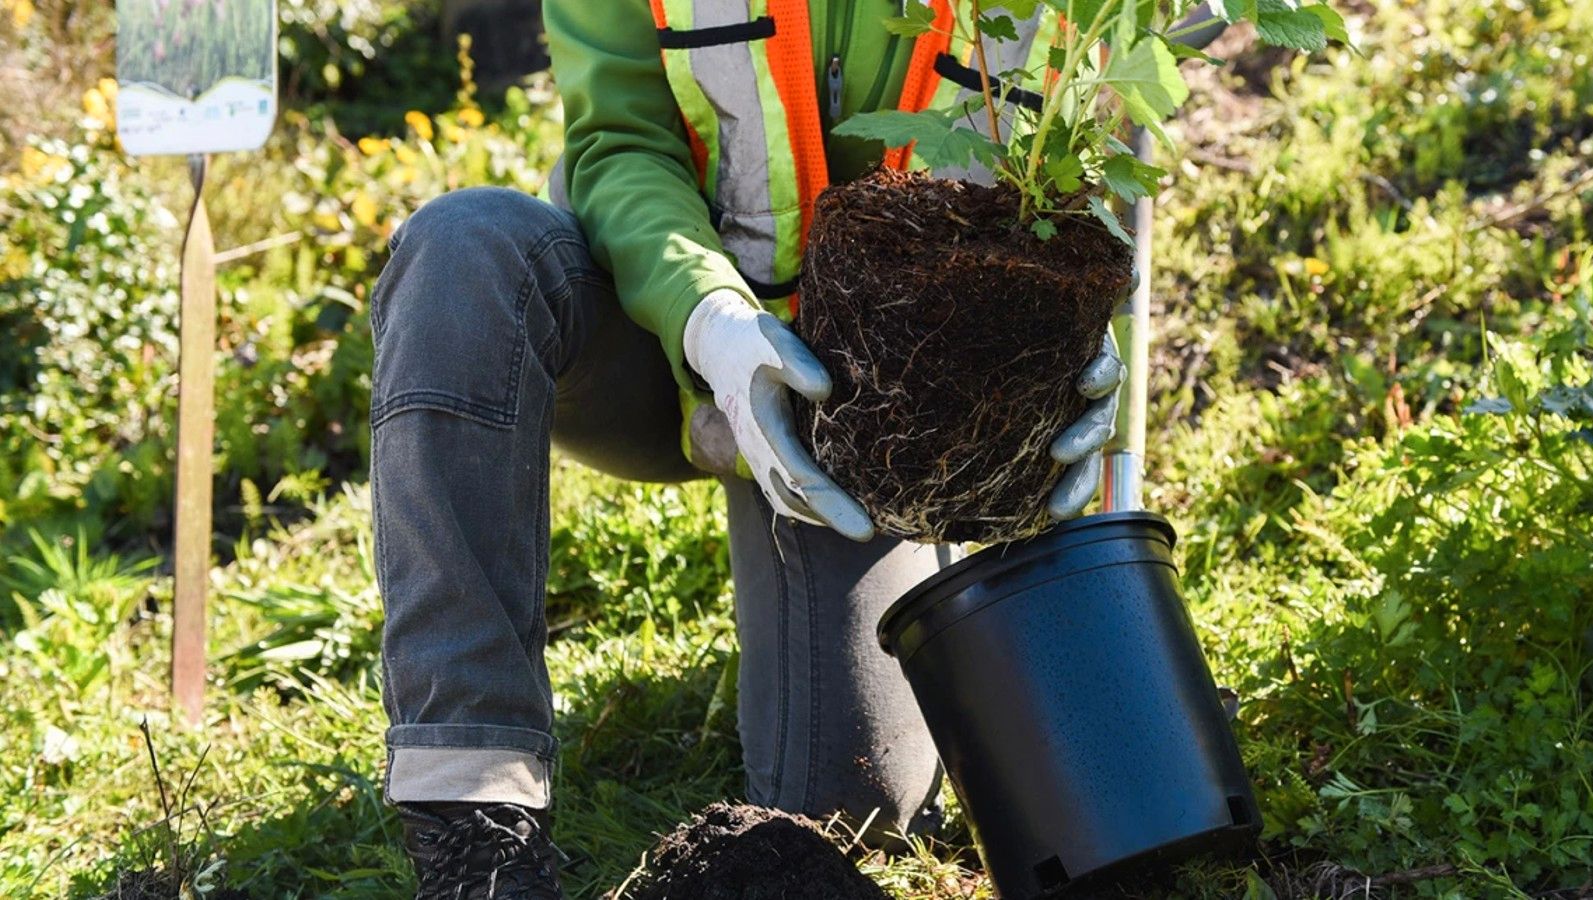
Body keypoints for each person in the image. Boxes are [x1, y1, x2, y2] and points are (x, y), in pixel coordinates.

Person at [368, 2, 1122, 896]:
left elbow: (1082, 154)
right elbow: (621, 145)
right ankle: (472, 820)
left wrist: (1067, 324)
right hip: (659, 336)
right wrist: (713, 325)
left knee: (851, 809)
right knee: (463, 250)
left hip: (879, 422)